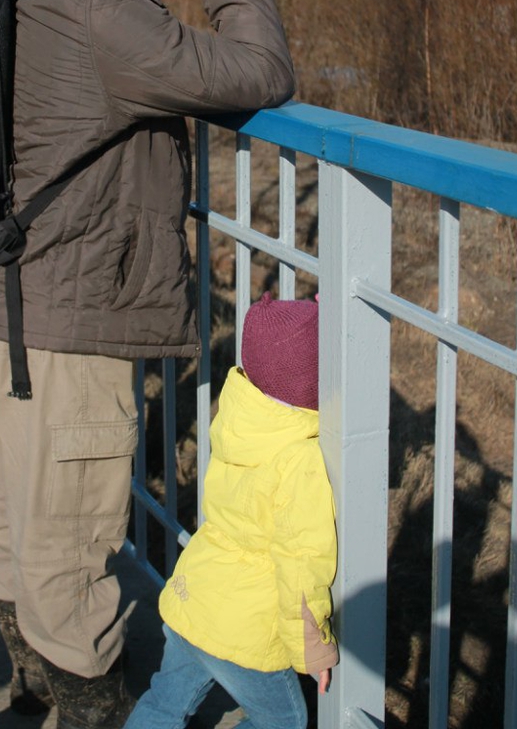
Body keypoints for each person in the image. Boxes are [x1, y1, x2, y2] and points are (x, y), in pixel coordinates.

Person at [0, 0, 295, 729]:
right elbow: (261, 71)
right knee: (68, 549)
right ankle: (88, 708)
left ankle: (31, 691)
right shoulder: (102, 11)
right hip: (66, 327)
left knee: (13, 524)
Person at [123, 292, 338, 729]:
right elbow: (301, 566)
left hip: (195, 597)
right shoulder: (300, 459)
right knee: (285, 723)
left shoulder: (238, 416)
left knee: (165, 702)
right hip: (246, 628)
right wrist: (312, 649)